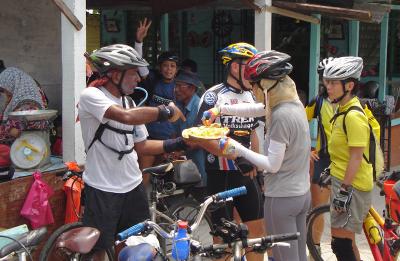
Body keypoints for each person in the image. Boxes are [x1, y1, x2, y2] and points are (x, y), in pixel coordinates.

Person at [79, 44, 186, 260]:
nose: (138, 79)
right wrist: (164, 111)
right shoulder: (91, 95)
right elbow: (126, 117)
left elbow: (143, 145)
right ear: (115, 75)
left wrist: (181, 142)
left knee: (135, 246)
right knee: (99, 250)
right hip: (102, 189)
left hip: (133, 187)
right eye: (133, 73)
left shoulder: (129, 101)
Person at [202, 50, 311, 261]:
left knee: (283, 258)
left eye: (255, 83)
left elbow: (272, 165)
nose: (252, 88)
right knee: (298, 257)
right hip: (301, 195)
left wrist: (236, 148)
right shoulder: (293, 104)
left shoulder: (280, 116)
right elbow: (256, 109)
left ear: (267, 84)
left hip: (282, 199)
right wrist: (220, 110)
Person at [195, 42, 265, 261]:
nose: (255, 74)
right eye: (250, 67)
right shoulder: (213, 97)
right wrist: (234, 155)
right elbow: (201, 137)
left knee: (257, 238)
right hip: (220, 175)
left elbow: (253, 133)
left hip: (246, 175)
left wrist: (259, 166)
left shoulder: (253, 96)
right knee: (223, 242)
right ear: (235, 67)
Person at [323, 56, 372, 261]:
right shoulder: (342, 110)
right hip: (344, 180)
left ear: (349, 85)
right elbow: (342, 153)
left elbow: (356, 157)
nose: (328, 87)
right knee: (346, 243)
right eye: (327, 82)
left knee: (341, 245)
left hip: (352, 185)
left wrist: (344, 190)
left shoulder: (353, 115)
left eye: (334, 83)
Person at [305, 57, 336, 254]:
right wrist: (306, 149)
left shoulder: (355, 104)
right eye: (325, 78)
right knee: (318, 209)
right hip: (323, 159)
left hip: (349, 162)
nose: (328, 82)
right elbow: (298, 123)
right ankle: (315, 252)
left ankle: (342, 248)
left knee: (345, 212)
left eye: (332, 78)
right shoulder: (317, 102)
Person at [172, 70, 207, 197]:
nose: (176, 90)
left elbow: (202, 140)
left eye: (180, 86)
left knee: (202, 201)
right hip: (186, 165)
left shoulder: (200, 107)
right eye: (175, 86)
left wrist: (179, 150)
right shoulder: (178, 106)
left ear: (192, 88)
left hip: (201, 165)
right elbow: (175, 133)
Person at [0, 67, 48, 145]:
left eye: (4, 89)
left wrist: (6, 129)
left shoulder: (28, 107)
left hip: (27, 151)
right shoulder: (22, 101)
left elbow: (15, 132)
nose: (4, 92)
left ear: (14, 85)